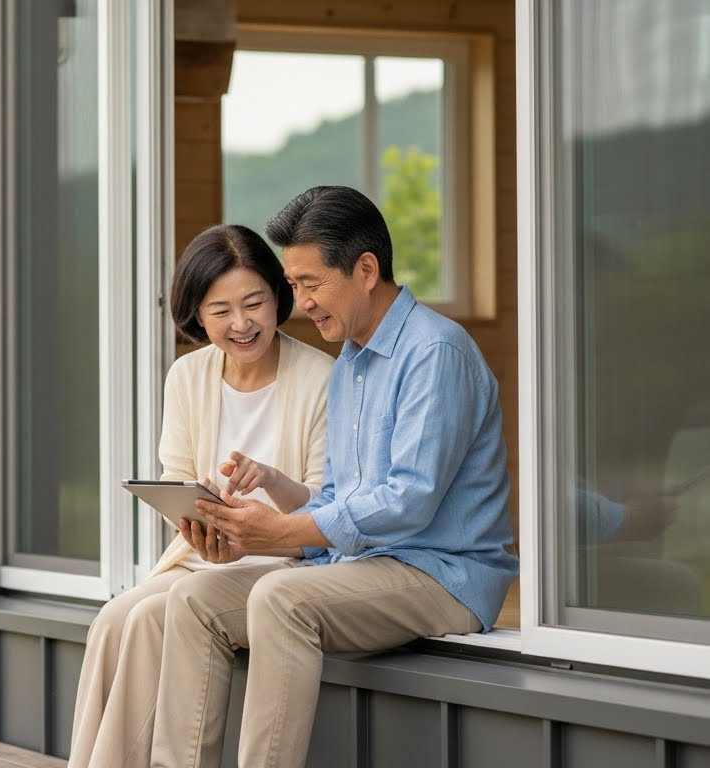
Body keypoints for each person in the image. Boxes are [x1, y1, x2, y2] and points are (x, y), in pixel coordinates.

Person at [149, 186, 518, 768]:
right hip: (366, 566)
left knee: (279, 595)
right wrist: (258, 515)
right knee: (194, 598)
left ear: (365, 270)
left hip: (444, 573)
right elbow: (339, 498)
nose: (299, 303)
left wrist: (280, 536)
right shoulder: (352, 360)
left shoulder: (434, 352)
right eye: (293, 286)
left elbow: (408, 502)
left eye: (309, 283)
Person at [67, 224, 334, 768]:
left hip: (282, 563)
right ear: (196, 314)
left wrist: (264, 508)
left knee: (145, 622)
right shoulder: (187, 375)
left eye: (254, 302)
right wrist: (202, 527)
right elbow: (179, 482)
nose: (242, 323)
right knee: (113, 619)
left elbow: (325, 508)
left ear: (277, 296)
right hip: (202, 560)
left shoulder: (322, 377)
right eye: (220, 311)